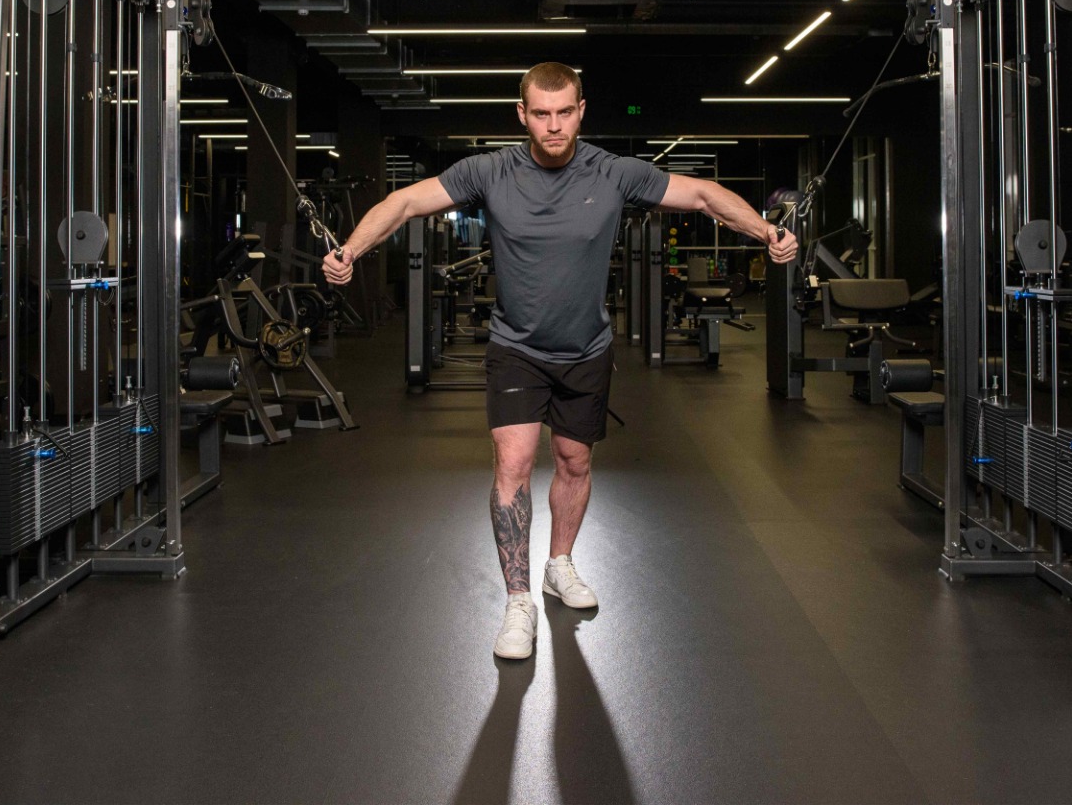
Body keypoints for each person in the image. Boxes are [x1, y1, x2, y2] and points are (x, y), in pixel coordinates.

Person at [323, 62, 798, 659]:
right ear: (522, 115)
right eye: (542, 114)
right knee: (513, 463)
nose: (554, 126)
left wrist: (765, 232)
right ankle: (518, 600)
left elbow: (704, 196)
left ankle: (559, 564)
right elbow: (403, 203)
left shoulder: (613, 171)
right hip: (516, 347)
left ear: (581, 111)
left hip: (587, 349)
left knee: (574, 461)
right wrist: (350, 249)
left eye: (565, 112)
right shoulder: (489, 171)